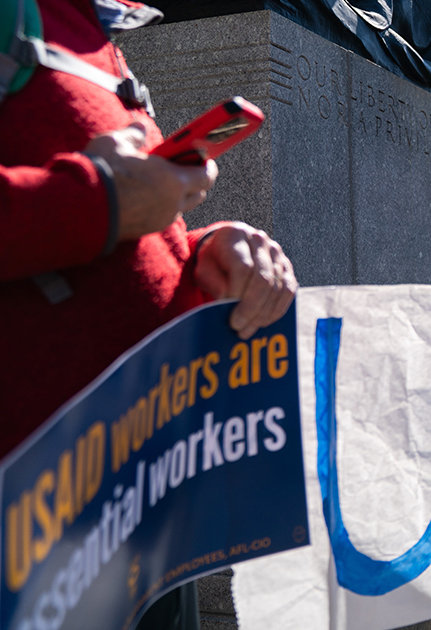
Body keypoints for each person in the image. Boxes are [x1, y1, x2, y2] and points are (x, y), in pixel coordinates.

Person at [0, 1, 298, 627]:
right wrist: (97, 201)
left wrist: (202, 254)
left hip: (149, 502)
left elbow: (116, 246)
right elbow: (96, 208)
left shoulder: (95, 29)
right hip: (36, 529)